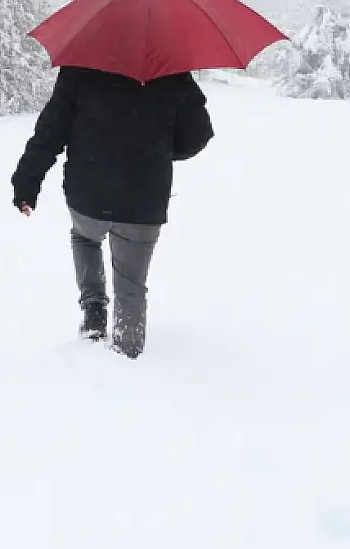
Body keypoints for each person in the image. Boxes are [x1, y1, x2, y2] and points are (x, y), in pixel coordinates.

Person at [11, 65, 214, 358]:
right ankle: (127, 351)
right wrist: (161, 149)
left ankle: (93, 308)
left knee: (85, 238)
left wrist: (27, 182)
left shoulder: (81, 66)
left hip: (88, 192)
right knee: (131, 283)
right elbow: (198, 135)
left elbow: (50, 131)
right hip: (144, 199)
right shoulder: (170, 70)